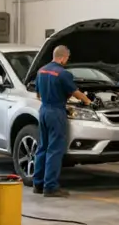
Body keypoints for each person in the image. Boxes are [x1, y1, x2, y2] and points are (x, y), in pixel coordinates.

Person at [32, 45, 92, 197]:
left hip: (44, 110)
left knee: (42, 148)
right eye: (67, 58)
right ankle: (50, 187)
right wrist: (87, 101)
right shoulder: (63, 74)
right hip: (56, 112)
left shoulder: (41, 71)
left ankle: (37, 184)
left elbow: (37, 95)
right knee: (55, 149)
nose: (67, 61)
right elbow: (76, 93)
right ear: (63, 57)